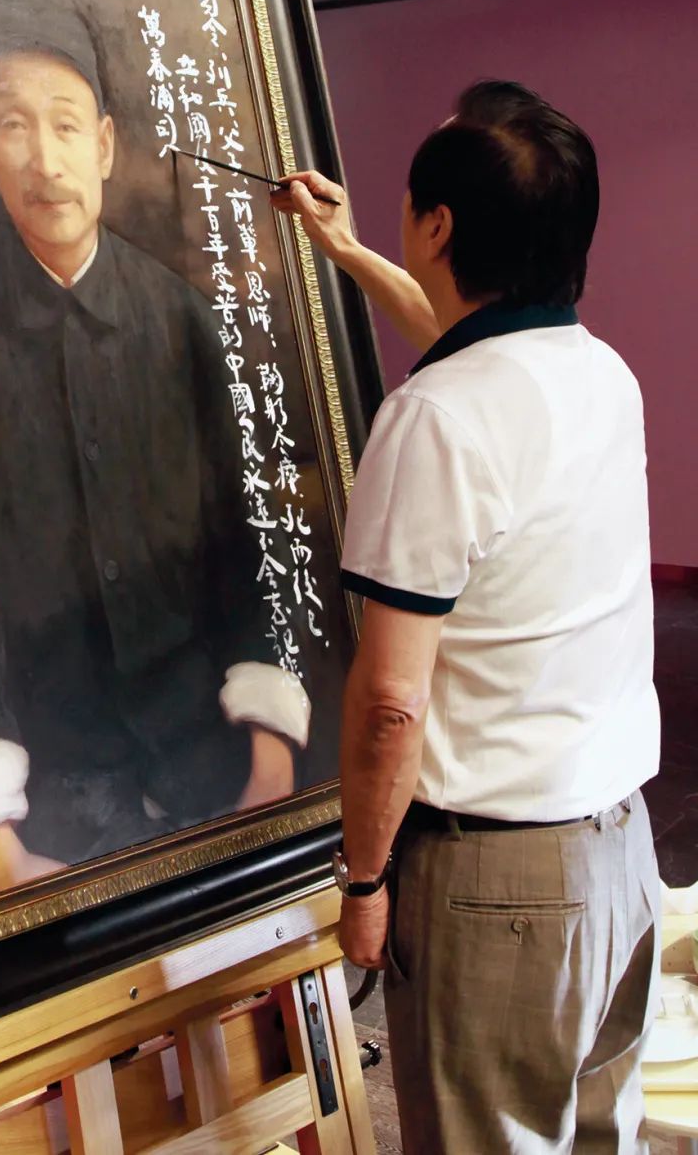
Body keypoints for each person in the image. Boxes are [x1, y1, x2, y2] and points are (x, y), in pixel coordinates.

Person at [273, 80, 660, 1155]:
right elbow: (466, 348)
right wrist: (349, 252)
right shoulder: (599, 373)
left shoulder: (432, 421)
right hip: (617, 854)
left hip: (498, 886)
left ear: (438, 225)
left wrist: (361, 879)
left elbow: (391, 701)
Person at [0, 0, 310, 899]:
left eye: (67, 125)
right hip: (43, 804)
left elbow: (245, 546)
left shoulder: (179, 318)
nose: (46, 159)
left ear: (104, 144)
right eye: (13, 124)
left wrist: (269, 752)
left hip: (211, 766)